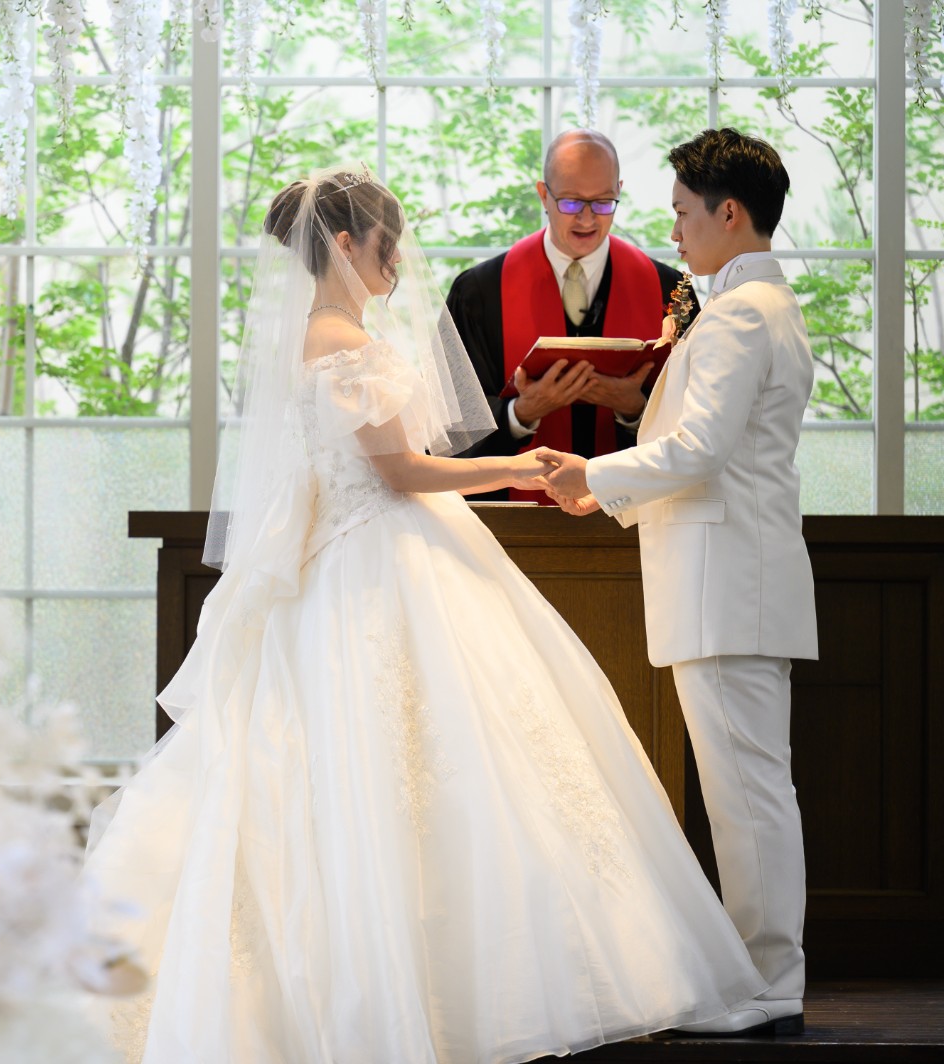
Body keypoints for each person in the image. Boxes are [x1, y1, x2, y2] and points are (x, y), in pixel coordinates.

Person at [83, 166, 766, 1064]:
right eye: (385, 244)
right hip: (376, 560)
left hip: (363, 552)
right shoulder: (339, 343)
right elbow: (399, 471)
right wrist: (518, 466)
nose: (396, 261)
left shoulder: (322, 337)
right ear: (344, 244)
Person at [541, 128, 817, 1039]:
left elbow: (699, 448)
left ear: (729, 212)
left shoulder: (741, 314)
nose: (675, 232)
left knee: (748, 798)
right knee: (747, 794)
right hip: (732, 580)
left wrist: (593, 475)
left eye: (683, 214)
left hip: (727, 583)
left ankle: (770, 983)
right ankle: (759, 975)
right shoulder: (754, 305)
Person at [445, 130, 683, 502]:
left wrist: (635, 409)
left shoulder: (669, 291)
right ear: (544, 194)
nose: (587, 219)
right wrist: (520, 414)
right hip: (511, 523)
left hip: (633, 521)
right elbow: (449, 423)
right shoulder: (479, 293)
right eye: (571, 202)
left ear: (619, 190)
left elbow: (698, 430)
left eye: (603, 202)